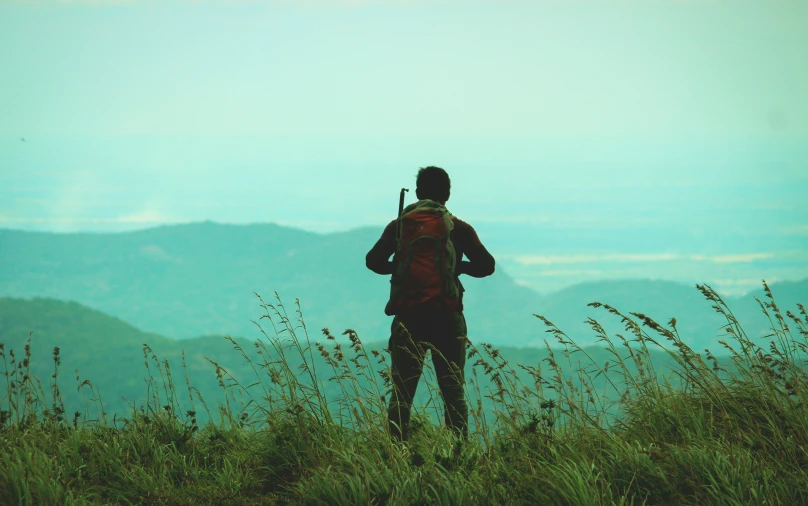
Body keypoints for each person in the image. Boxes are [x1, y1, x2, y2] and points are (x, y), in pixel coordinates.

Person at [365, 166, 495, 442]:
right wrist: (456, 268)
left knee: (402, 393)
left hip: (409, 316)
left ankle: (396, 453)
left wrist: (400, 267)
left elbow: (372, 261)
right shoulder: (457, 228)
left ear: (419, 192)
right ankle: (458, 452)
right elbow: (487, 266)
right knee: (452, 392)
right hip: (446, 316)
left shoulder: (400, 225)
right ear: (447, 193)